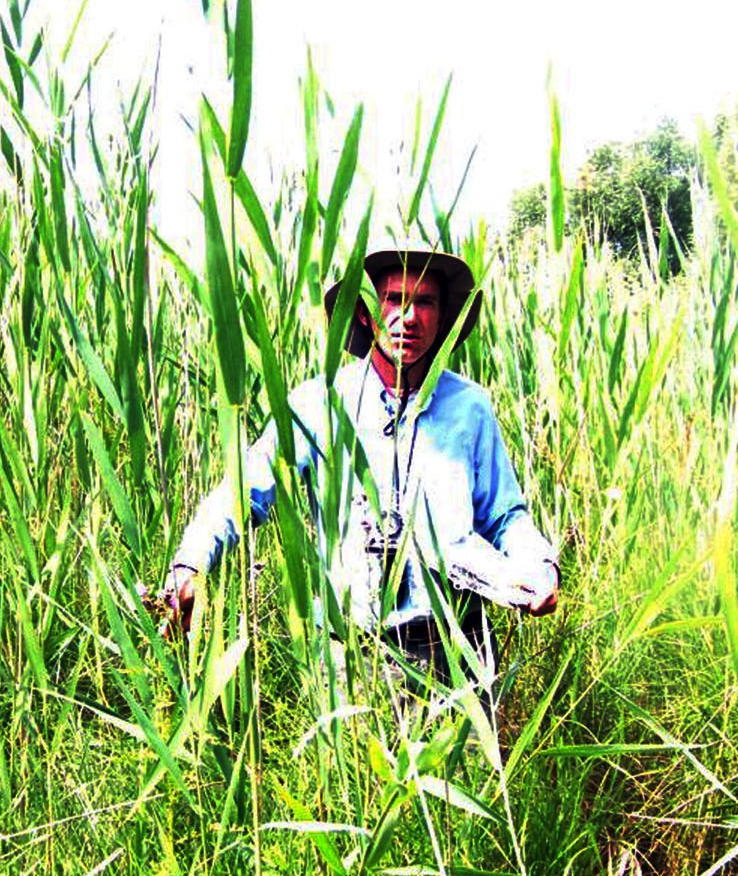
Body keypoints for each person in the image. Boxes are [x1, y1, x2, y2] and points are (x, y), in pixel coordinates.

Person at [163, 242, 559, 681]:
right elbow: (245, 491)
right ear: (367, 314)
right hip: (351, 653)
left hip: (458, 644)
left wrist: (538, 567)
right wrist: (191, 562)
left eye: (424, 302)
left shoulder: (469, 407)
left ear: (443, 317)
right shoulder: (321, 402)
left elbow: (505, 516)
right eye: (393, 300)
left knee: (467, 751)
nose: (408, 318)